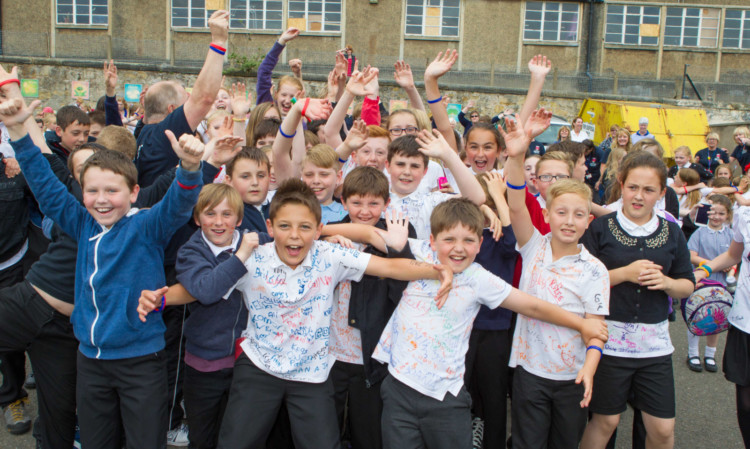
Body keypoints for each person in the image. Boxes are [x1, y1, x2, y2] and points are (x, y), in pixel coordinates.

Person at [139, 178, 455, 449]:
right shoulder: (251, 257)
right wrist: (161, 300)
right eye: (285, 226)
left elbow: (388, 266)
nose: (294, 235)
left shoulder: (330, 255)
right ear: (269, 227)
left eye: (305, 227)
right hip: (258, 368)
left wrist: (435, 270)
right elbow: (200, 289)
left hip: (312, 374)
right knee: (236, 441)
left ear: (318, 229)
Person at [4, 85, 207, 449]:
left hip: (141, 363)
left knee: (145, 442)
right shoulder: (81, 224)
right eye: (92, 191)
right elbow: (47, 188)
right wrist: (19, 132)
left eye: (112, 191)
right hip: (91, 362)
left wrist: (190, 168)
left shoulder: (146, 225)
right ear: (82, 193)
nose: (101, 200)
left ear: (133, 193)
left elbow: (177, 205)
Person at [371, 198, 608, 449]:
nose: (458, 248)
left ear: (480, 244)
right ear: (432, 240)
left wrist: (581, 324)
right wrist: (327, 232)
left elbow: (532, 306)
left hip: (447, 397)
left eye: (468, 241)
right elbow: (369, 233)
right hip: (399, 391)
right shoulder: (419, 252)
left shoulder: (479, 279)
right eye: (449, 240)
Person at [504, 110, 609, 448]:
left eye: (579, 214)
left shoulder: (595, 270)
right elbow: (516, 203)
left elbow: (596, 329)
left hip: (572, 378)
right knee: (526, 442)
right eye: (561, 213)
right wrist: (518, 154)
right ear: (547, 215)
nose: (569, 221)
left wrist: (590, 369)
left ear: (588, 221)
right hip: (530, 373)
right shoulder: (532, 245)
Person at [580, 151, 695, 449]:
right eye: (633, 187)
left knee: (662, 428)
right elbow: (580, 283)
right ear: (621, 183)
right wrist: (624, 274)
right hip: (608, 342)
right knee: (605, 422)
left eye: (648, 190)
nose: (639, 196)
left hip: (654, 347)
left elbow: (687, 285)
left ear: (661, 193)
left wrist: (669, 283)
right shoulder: (599, 229)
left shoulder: (671, 232)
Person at [321, 166, 415, 449]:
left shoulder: (397, 235)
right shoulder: (330, 238)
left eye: (373, 203)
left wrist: (398, 249)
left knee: (369, 433)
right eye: (356, 203)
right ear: (343, 201)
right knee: (326, 433)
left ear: (386, 204)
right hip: (329, 356)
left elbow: (406, 290)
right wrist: (326, 241)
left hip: (371, 360)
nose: (364, 211)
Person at [174, 184, 271, 449]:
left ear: (239, 220)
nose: (219, 222)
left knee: (240, 438)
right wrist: (241, 256)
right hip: (203, 365)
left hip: (247, 364)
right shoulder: (191, 251)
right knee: (203, 437)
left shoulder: (255, 240)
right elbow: (207, 290)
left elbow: (290, 239)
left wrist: (332, 236)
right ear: (197, 219)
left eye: (227, 215)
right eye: (210, 214)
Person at [134, 10, 228, 187]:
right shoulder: (166, 132)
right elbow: (204, 98)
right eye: (186, 100)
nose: (191, 101)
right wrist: (219, 41)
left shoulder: (144, 132)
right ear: (171, 110)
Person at [693, 198, 750, 447]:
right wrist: (703, 271)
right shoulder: (745, 216)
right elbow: (733, 255)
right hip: (745, 322)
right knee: (746, 401)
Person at [385, 131, 485, 239]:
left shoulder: (432, 201)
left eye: (415, 166)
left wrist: (448, 155)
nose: (407, 172)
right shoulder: (375, 201)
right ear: (388, 166)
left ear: (425, 171)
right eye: (400, 164)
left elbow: (476, 198)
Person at [685, 194, 733, 373]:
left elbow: (734, 258)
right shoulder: (700, 232)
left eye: (721, 214)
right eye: (713, 212)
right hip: (701, 282)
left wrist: (730, 267)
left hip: (720, 285)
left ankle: (710, 354)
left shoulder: (731, 234)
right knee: (696, 317)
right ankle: (693, 353)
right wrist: (713, 265)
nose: (716, 217)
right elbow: (692, 255)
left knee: (717, 318)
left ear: (727, 215)